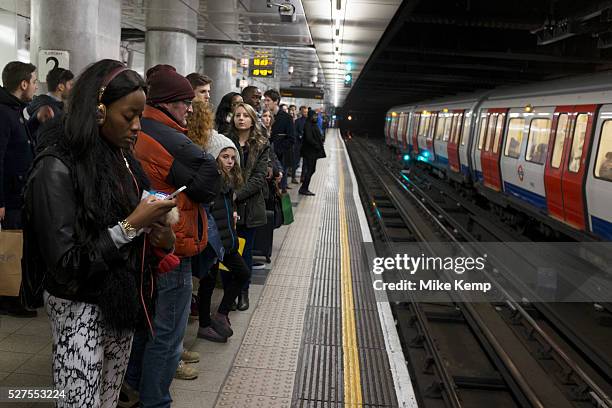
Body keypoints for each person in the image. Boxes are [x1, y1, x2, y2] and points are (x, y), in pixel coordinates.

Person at [21, 59, 177, 408]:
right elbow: (66, 262)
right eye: (129, 115)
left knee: (107, 400)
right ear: (98, 108)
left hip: (119, 303)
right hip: (78, 304)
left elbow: (141, 233)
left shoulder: (122, 160)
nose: (137, 126)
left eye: (141, 115)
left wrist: (161, 235)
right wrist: (131, 225)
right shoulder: (56, 166)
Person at [125, 64, 220, 407]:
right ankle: (156, 401)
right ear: (166, 103)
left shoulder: (146, 131)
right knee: (167, 331)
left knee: (147, 325)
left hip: (150, 241)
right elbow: (209, 179)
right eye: (185, 102)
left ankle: (133, 387)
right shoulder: (166, 137)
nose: (190, 108)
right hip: (170, 245)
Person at [191, 129, 250, 342]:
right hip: (213, 242)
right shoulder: (211, 181)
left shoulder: (227, 181)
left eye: (233, 157)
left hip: (226, 241)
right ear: (214, 156)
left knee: (242, 273)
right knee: (207, 283)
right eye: (225, 156)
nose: (230, 161)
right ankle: (205, 324)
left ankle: (221, 313)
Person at [0, 61, 37, 317]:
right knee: (11, 247)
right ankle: (8, 298)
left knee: (18, 245)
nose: (35, 87)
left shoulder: (16, 110)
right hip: (10, 195)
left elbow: (20, 143)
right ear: (23, 84)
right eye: (34, 82)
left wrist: (35, 122)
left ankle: (16, 294)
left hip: (18, 192)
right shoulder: (4, 112)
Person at [227, 103, 270, 311]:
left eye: (245, 115)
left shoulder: (261, 144)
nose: (241, 119)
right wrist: (228, 195)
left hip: (250, 207)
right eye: (237, 115)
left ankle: (243, 291)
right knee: (227, 251)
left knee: (245, 252)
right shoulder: (224, 140)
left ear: (252, 120)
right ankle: (229, 292)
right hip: (227, 205)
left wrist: (237, 194)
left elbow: (260, 177)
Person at [27, 67, 74, 139]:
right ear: (61, 87)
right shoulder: (52, 111)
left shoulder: (43, 104)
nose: (73, 88)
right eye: (71, 85)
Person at [264, 89, 294, 193]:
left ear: (276, 101)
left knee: (280, 186)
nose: (265, 103)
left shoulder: (287, 118)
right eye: (265, 100)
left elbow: (291, 139)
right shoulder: (263, 117)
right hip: (267, 158)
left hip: (281, 158)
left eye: (268, 100)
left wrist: (277, 150)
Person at [299, 109, 326, 196]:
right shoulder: (308, 125)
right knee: (310, 170)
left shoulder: (313, 124)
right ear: (310, 116)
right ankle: (304, 188)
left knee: (311, 170)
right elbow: (309, 138)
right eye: (314, 116)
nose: (315, 117)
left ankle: (304, 187)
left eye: (316, 116)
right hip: (309, 151)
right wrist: (316, 145)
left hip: (313, 152)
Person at [293, 106, 308, 184]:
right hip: (299, 144)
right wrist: (299, 135)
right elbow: (294, 131)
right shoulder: (297, 121)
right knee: (296, 162)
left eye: (306, 112)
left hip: (306, 145)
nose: (305, 113)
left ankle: (303, 177)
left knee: (305, 163)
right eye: (304, 112)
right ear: (301, 112)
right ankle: (293, 177)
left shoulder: (310, 121)